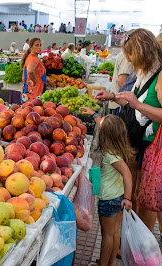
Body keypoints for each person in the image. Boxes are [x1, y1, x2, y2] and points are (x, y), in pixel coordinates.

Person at [95, 29, 162, 231]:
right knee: (137, 195)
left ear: (142, 52)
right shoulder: (144, 72)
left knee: (146, 201)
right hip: (137, 142)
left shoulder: (160, 77)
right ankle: (131, 240)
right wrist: (113, 97)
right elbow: (133, 100)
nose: (129, 60)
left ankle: (143, 248)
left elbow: (142, 106)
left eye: (131, 54)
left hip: (152, 147)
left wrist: (138, 105)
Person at [80, 112, 133, 266]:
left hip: (109, 199)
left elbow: (127, 175)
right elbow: (106, 127)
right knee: (115, 233)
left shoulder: (110, 155)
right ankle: (110, 263)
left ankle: (102, 264)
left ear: (105, 136)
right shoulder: (119, 149)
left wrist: (128, 199)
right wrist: (95, 115)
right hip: (118, 196)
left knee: (107, 235)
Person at [21, 38, 55, 103]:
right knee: (31, 111)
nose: (39, 47)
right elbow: (30, 71)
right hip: (32, 94)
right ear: (31, 47)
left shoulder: (34, 57)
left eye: (40, 45)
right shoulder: (33, 59)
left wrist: (47, 80)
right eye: (37, 45)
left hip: (34, 93)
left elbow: (38, 73)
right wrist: (34, 81)